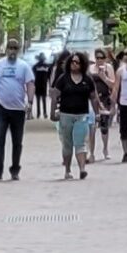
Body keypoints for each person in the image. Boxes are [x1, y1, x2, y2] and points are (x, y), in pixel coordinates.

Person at [0, 39, 35, 181]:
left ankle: (15, 169)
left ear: (18, 50)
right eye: (10, 48)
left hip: (18, 109)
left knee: (17, 141)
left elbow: (30, 83)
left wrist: (30, 102)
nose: (12, 51)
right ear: (6, 49)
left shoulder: (23, 66)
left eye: (15, 48)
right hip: (1, 108)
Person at [49, 52, 96, 181]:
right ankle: (68, 170)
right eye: (72, 62)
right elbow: (55, 96)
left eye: (77, 62)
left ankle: (82, 169)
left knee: (80, 143)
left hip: (82, 115)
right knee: (67, 144)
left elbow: (93, 97)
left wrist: (97, 113)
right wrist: (52, 113)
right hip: (65, 115)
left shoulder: (87, 80)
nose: (74, 64)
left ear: (83, 64)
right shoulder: (63, 79)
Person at [89, 48, 118, 161]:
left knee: (104, 126)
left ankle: (105, 149)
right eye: (97, 58)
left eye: (102, 58)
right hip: (93, 100)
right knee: (91, 127)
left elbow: (113, 85)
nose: (99, 60)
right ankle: (91, 153)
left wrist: (104, 78)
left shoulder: (108, 68)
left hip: (105, 98)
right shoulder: (90, 69)